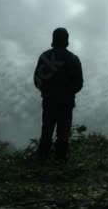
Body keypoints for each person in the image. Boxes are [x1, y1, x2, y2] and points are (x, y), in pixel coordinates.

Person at [33, 27, 83, 162]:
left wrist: (46, 92)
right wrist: (67, 93)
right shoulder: (73, 59)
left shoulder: (45, 56)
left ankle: (42, 160)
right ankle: (60, 162)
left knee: (47, 132)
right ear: (66, 40)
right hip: (66, 103)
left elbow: (37, 80)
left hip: (49, 101)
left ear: (53, 39)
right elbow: (79, 83)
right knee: (63, 134)